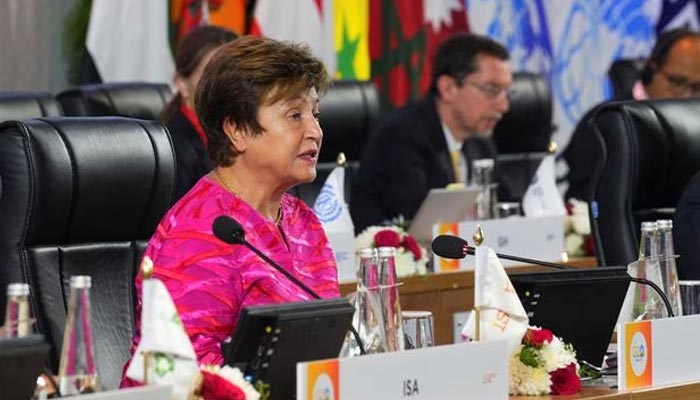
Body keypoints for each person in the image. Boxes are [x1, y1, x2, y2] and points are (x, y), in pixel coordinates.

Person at [121, 36, 338, 385]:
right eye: (294, 115)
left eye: (315, 114)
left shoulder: (303, 222)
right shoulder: (197, 234)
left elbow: (326, 344)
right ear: (236, 130)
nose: (315, 131)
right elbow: (190, 378)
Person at [350, 33, 512, 232]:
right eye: (492, 90)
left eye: (506, 92)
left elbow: (509, 207)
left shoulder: (480, 142)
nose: (504, 105)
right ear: (448, 88)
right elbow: (420, 224)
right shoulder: (400, 137)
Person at [564, 28, 700, 200]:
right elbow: (583, 200)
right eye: (678, 82)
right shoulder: (607, 122)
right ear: (651, 70)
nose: (687, 95)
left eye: (697, 88)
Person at [160, 26, 238, 201]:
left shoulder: (249, 138)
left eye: (234, 76)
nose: (225, 86)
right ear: (181, 84)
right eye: (212, 75)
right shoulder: (172, 150)